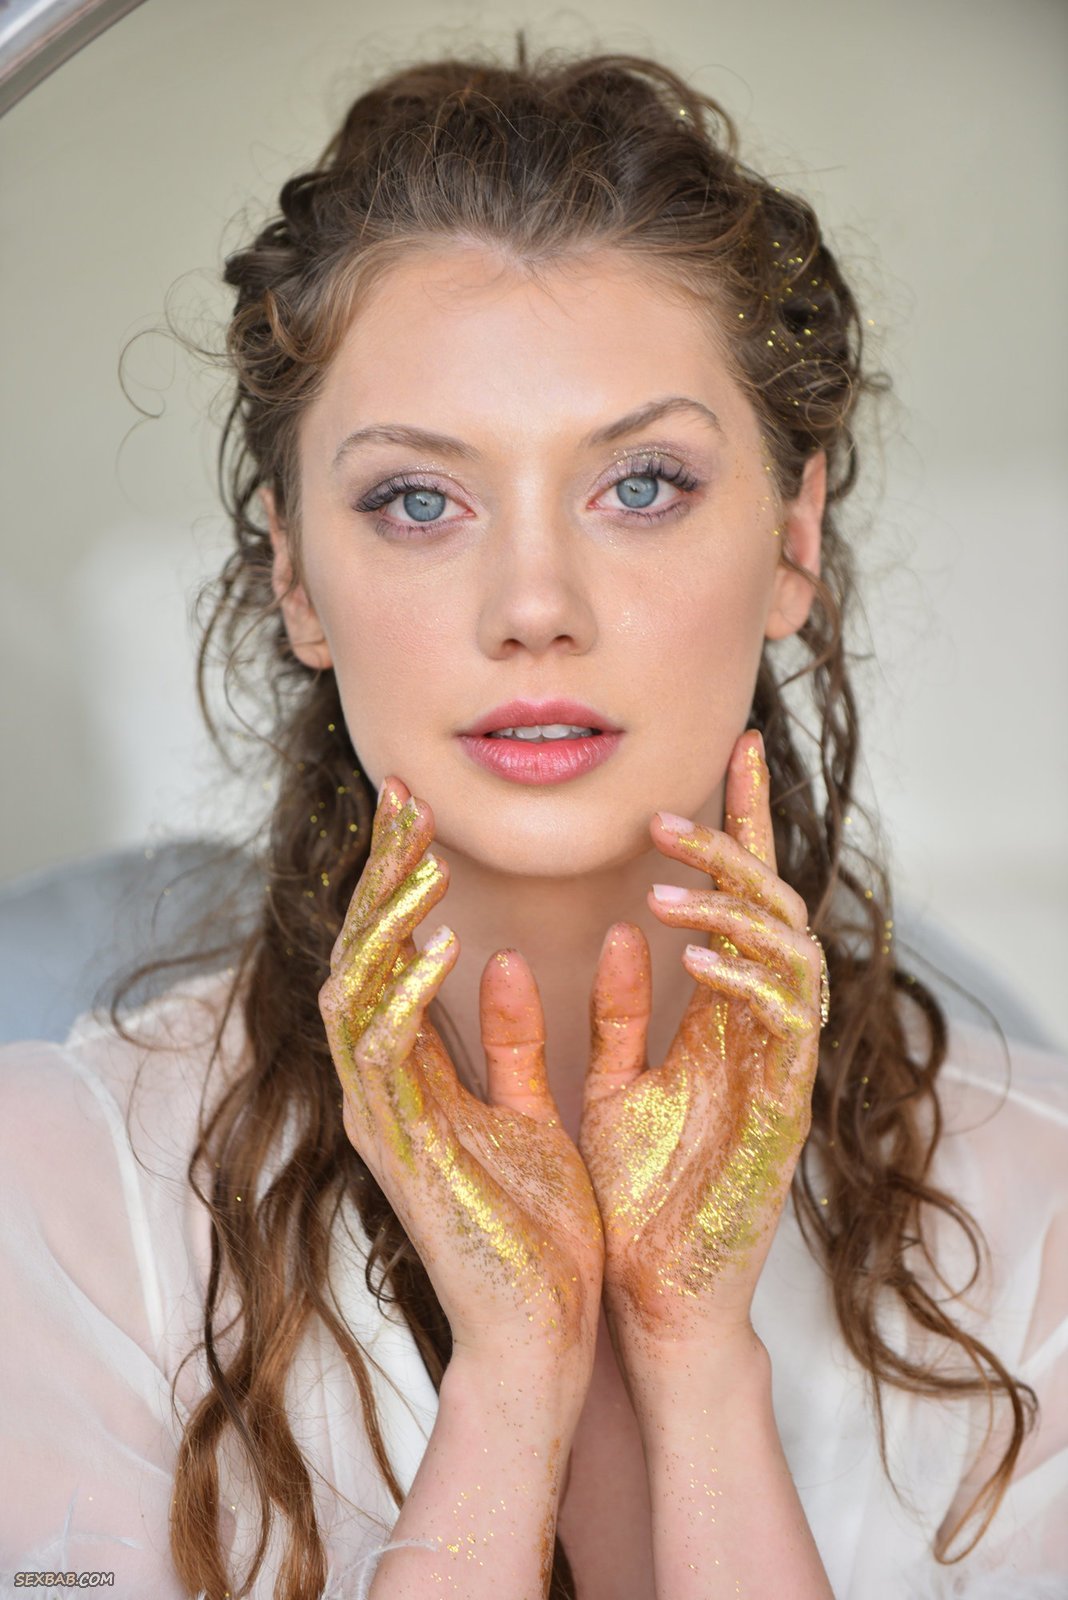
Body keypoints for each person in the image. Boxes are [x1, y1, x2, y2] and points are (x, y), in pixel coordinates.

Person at [1, 45, 1065, 1600]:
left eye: (642, 485)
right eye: (418, 501)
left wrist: (700, 1364)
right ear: (297, 578)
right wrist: (509, 1384)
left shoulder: (1043, 1224)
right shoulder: (58, 1198)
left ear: (793, 538)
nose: (535, 605)